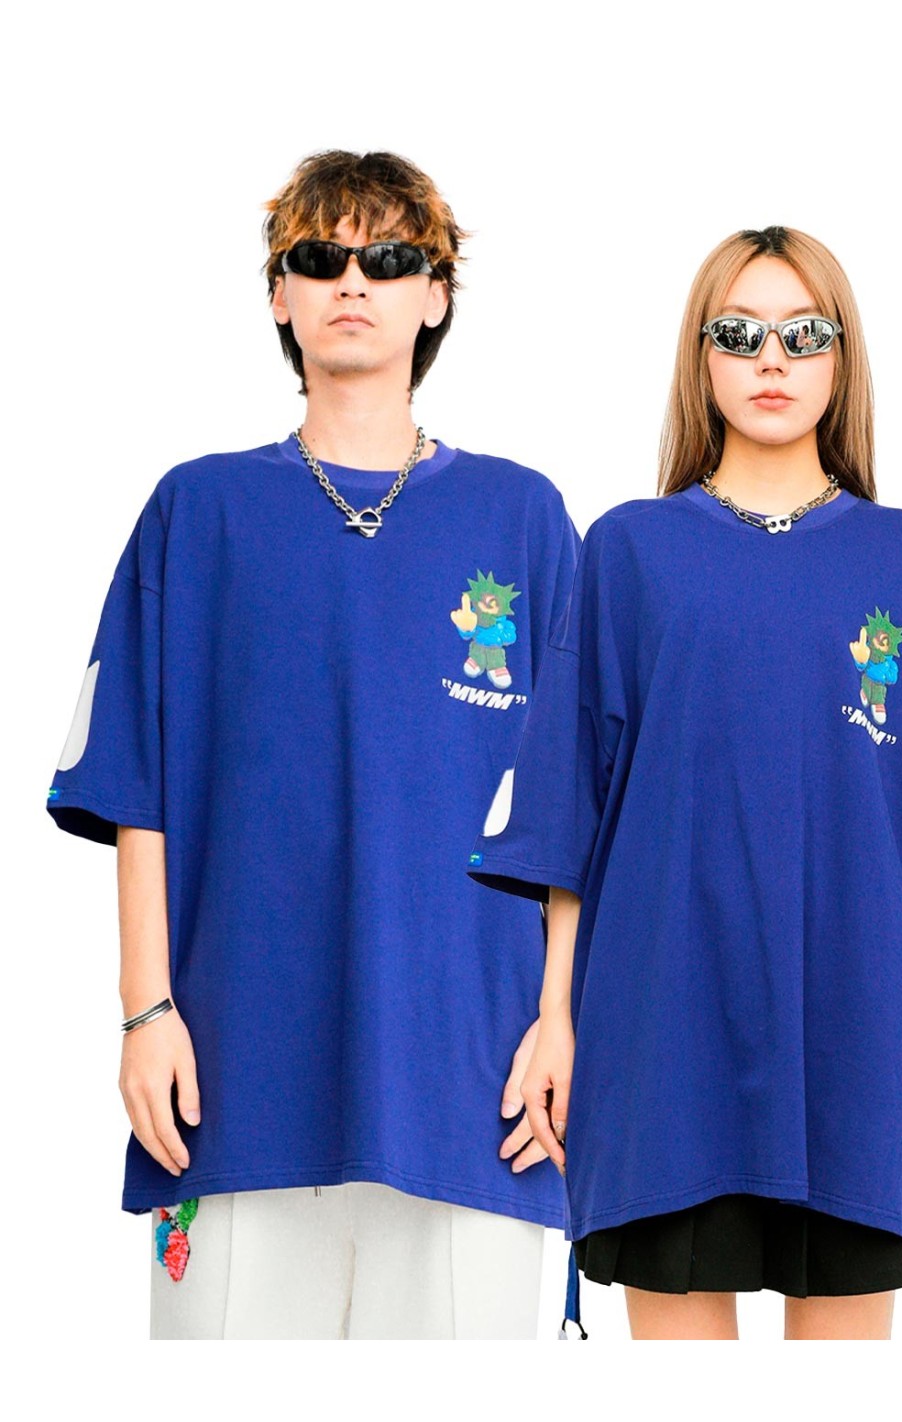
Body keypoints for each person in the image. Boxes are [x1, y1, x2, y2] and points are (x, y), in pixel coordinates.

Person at [466, 225, 902, 1341]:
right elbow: (570, 813)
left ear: (841, 355)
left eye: (802, 334)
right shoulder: (626, 550)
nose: (771, 359)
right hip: (660, 1024)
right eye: (738, 333)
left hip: (864, 1024)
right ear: (701, 356)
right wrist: (553, 1020)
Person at [46, 150, 577, 1339]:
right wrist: (144, 1012)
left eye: (387, 258)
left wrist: (562, 1021)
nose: (352, 280)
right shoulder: (198, 511)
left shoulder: (524, 519)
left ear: (434, 294)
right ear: (278, 294)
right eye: (318, 257)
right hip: (235, 1074)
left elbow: (576, 814)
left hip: (474, 1081)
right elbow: (136, 785)